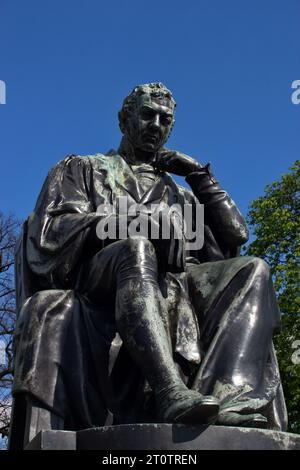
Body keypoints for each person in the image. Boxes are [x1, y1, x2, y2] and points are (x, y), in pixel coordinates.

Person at [9, 83, 287, 449]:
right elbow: (51, 231)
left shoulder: (182, 193)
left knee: (254, 270)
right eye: (147, 115)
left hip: (173, 286)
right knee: (136, 249)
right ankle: (169, 389)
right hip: (100, 279)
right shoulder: (83, 168)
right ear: (124, 119)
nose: (156, 125)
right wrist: (135, 222)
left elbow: (236, 235)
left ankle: (226, 398)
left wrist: (200, 175)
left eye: (165, 119)